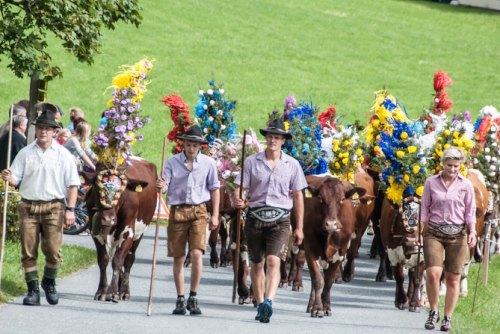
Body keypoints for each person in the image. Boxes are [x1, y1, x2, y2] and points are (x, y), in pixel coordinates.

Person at [1, 110, 81, 306]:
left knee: (53, 250)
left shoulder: (64, 154)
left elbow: (73, 185)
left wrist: (70, 210)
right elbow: (15, 179)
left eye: (47, 129)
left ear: (55, 132)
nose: (43, 132)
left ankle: (49, 281)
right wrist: (8, 177)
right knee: (29, 251)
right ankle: (33, 290)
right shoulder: (25, 152)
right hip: (28, 206)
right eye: (40, 128)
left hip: (54, 206)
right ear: (35, 130)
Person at [234, 118, 307, 323]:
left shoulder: (292, 165)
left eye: (277, 137)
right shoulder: (251, 162)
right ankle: (259, 304)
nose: (273, 140)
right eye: (270, 136)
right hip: (255, 218)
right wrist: (239, 197)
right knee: (257, 264)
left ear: (283, 140)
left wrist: (299, 227)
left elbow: (298, 196)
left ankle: (269, 302)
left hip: (281, 220)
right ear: (265, 138)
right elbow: (240, 187)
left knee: (274, 260)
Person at [156, 125, 220, 316]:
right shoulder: (172, 162)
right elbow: (164, 185)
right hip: (177, 212)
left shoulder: (208, 164)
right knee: (179, 257)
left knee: (197, 254)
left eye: (195, 145)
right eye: (188, 145)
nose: (191, 148)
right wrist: (161, 186)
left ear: (201, 146)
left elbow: (214, 188)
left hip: (199, 211)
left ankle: (193, 296)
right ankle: (180, 298)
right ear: (183, 144)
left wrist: (215, 214)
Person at [421, 146, 477, 332]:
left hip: (457, 234)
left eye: (456, 166)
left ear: (460, 166)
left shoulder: (465, 185)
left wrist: (472, 231)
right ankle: (433, 312)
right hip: (434, 232)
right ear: (443, 163)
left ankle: (447, 318)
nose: (452, 169)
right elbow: (424, 209)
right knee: (433, 273)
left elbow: (470, 212)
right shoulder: (431, 182)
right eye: (449, 165)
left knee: (453, 278)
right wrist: (418, 232)